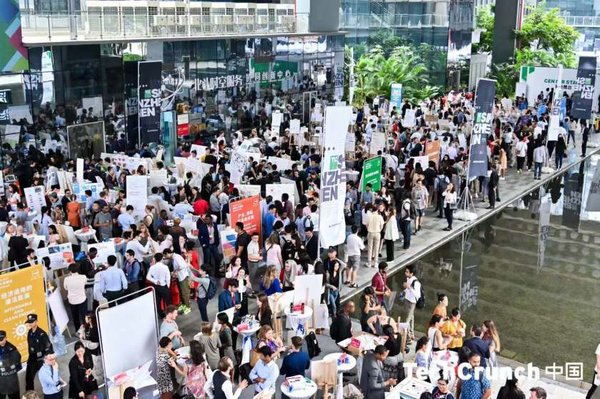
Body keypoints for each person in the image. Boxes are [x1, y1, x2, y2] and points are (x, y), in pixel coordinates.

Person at [25, 314, 53, 391]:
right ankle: (30, 395)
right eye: (29, 322)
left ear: (36, 321)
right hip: (32, 358)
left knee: (46, 377)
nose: (30, 324)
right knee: (29, 379)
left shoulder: (42, 334)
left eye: (32, 322)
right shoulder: (29, 332)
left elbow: (48, 348)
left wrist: (47, 360)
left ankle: (51, 392)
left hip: (41, 359)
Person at [63, 263, 88, 332]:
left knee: (75, 317)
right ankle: (86, 329)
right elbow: (84, 284)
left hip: (72, 300)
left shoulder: (66, 279)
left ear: (70, 270)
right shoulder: (83, 277)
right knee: (84, 315)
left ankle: (78, 331)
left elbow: (65, 288)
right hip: (82, 299)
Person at [0, 330, 22, 399]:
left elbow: (17, 360)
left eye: (2, 339)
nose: (1, 341)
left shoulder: (11, 348)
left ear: (6, 338)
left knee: (14, 395)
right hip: (0, 378)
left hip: (11, 378)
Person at [401, 265, 421, 343]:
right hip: (407, 300)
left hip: (411, 302)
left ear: (411, 273)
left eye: (407, 272)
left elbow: (417, 295)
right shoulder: (408, 279)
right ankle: (411, 334)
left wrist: (409, 287)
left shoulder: (416, 283)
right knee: (410, 318)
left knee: (407, 320)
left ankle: (408, 338)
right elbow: (407, 290)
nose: (405, 273)